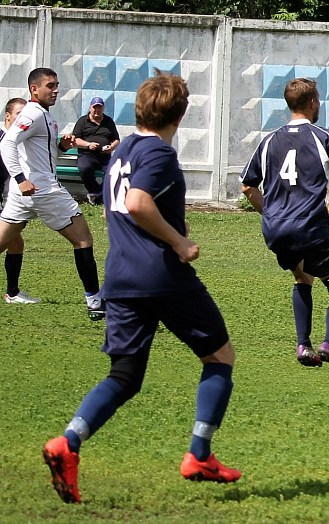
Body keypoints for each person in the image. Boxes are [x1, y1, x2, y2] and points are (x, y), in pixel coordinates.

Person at [42, 73, 241, 505]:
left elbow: (137, 200)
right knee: (220, 355)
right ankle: (199, 455)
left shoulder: (123, 149)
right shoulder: (159, 153)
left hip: (121, 277)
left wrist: (174, 222)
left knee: (125, 377)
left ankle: (68, 443)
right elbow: (137, 203)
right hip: (161, 276)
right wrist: (179, 241)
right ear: (182, 113)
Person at [241, 78, 329, 373]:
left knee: (303, 278)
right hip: (308, 226)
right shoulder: (324, 137)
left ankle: (302, 345)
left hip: (275, 229)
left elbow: (247, 187)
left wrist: (269, 213)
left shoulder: (269, 140)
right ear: (312, 103)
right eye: (319, 100)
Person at [0, 68, 104, 320]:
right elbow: (7, 142)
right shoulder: (33, 114)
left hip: (25, 193)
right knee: (83, 239)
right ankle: (95, 302)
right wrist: (21, 178)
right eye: (50, 85)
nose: (56, 89)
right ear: (34, 89)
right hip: (43, 191)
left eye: (57, 84)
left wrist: (61, 146)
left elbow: (37, 154)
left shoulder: (43, 115)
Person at [0, 99, 39, 304]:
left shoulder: (20, 140)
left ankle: (13, 293)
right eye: (18, 114)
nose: (23, 119)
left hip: (7, 200)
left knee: (15, 242)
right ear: (7, 116)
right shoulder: (3, 139)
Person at [65, 97, 120, 204]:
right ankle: (99, 195)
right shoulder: (82, 121)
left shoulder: (108, 121)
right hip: (86, 155)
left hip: (104, 157)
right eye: (95, 107)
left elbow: (116, 139)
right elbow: (75, 139)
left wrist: (111, 147)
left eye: (99, 107)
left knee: (115, 171)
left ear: (103, 108)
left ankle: (95, 196)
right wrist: (88, 144)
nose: (97, 110)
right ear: (90, 108)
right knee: (85, 168)